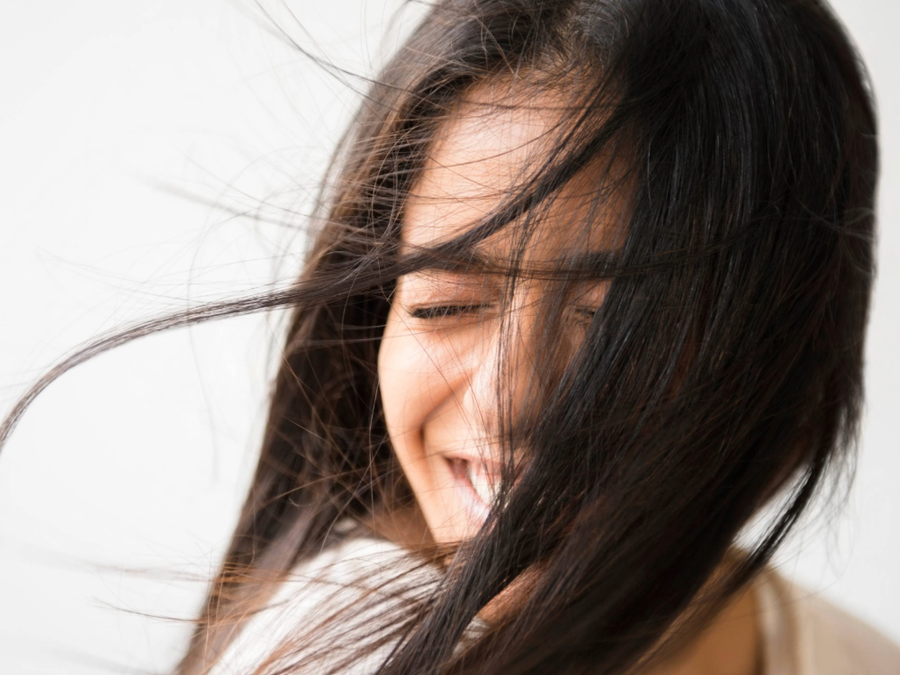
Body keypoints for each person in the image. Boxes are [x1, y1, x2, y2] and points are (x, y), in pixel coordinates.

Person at [1, 0, 897, 674]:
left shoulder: (846, 654)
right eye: (440, 303)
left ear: (786, 347)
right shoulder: (340, 646)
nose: (510, 400)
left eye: (617, 322)